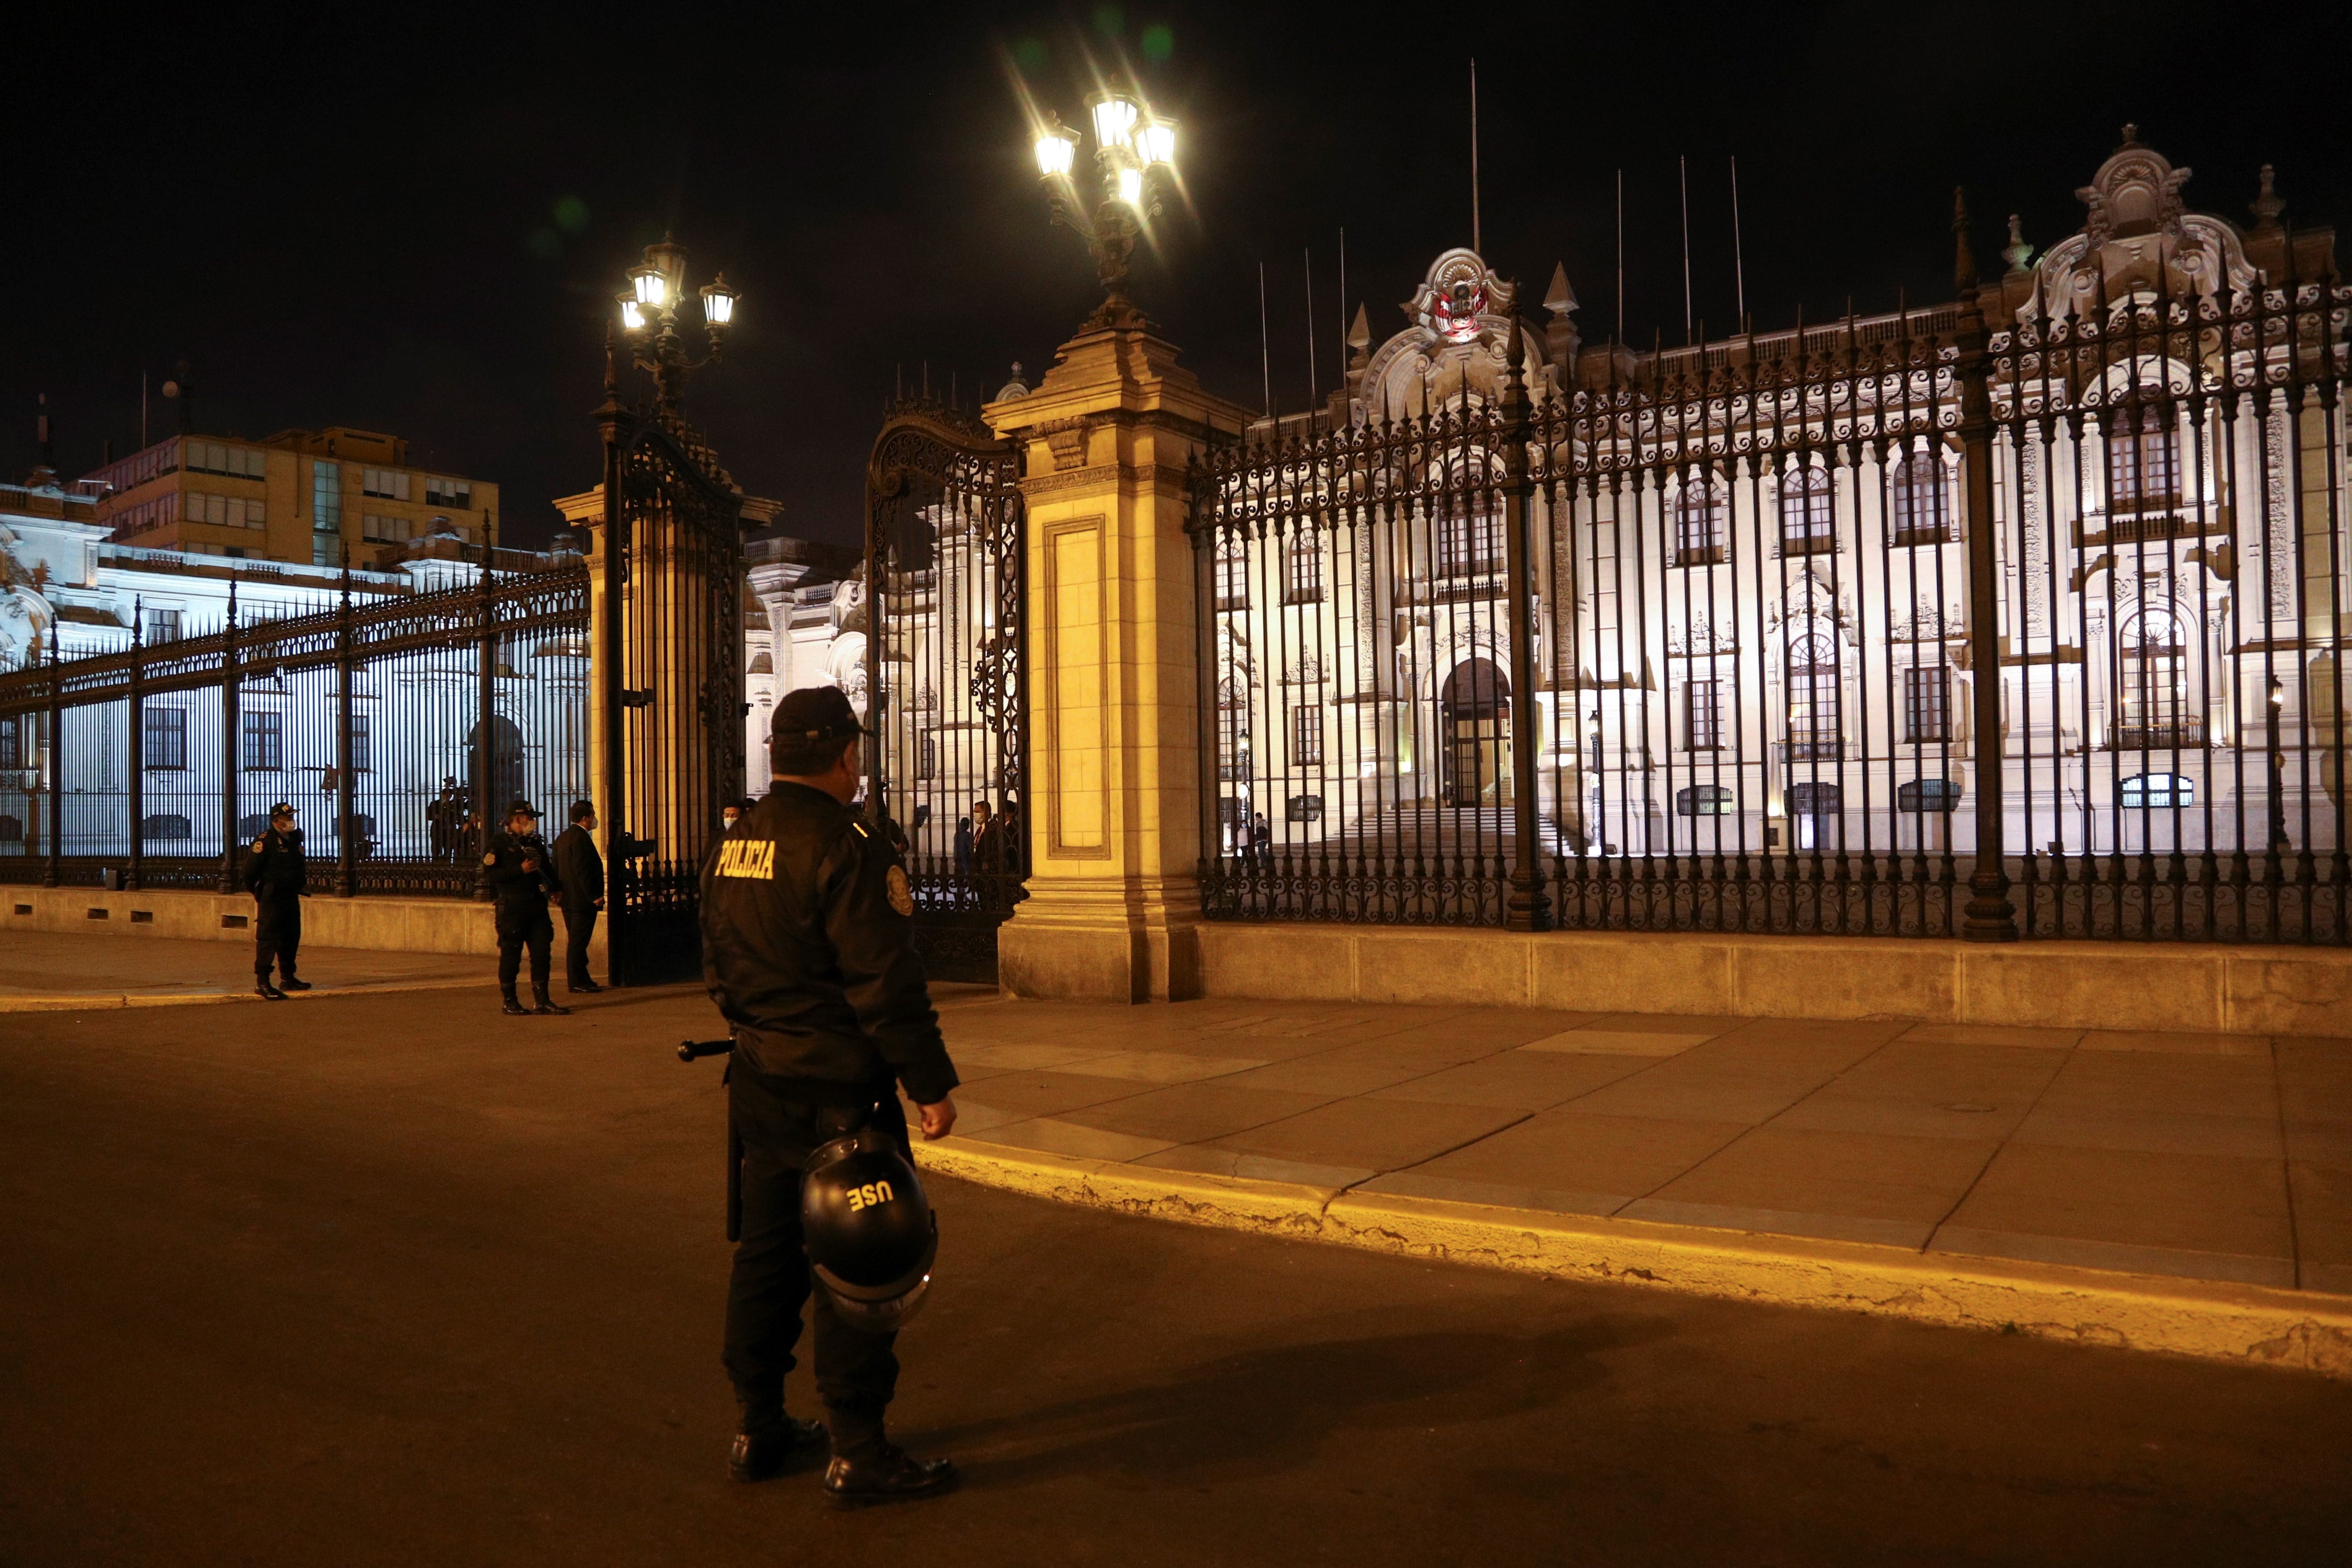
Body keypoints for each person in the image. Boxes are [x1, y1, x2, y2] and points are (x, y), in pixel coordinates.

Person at [700, 684, 960, 1507]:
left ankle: (758, 1425)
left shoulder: (734, 844)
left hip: (760, 1081)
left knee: (769, 1253)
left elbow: (716, 966)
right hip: (841, 1093)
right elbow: (887, 984)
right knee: (859, 1261)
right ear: (846, 755)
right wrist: (930, 1084)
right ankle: (858, 1447)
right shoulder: (851, 844)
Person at [482, 799, 568, 1017]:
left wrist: (556, 889)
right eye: (530, 818)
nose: (533, 822)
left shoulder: (535, 842)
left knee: (542, 953)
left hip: (536, 906)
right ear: (518, 819)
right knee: (511, 955)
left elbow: (547, 868)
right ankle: (510, 1001)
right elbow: (491, 876)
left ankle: (543, 1000)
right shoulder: (498, 844)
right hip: (512, 906)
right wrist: (520, 870)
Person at [245, 802, 309, 1000]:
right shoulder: (265, 841)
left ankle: (288, 977)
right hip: (272, 896)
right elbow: (249, 872)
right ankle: (262, 982)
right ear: (277, 821)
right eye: (287, 818)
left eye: (292, 817)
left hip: (290, 895)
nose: (291, 821)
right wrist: (259, 893)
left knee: (291, 936)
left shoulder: (294, 838)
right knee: (268, 938)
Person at [551, 799, 605, 995]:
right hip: (582, 901)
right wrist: (595, 896)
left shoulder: (562, 838)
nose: (594, 820)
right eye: (592, 816)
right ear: (585, 818)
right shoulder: (581, 839)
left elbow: (555, 868)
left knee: (577, 941)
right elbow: (583, 870)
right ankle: (576, 981)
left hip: (568, 900)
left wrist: (556, 892)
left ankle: (583, 978)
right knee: (578, 943)